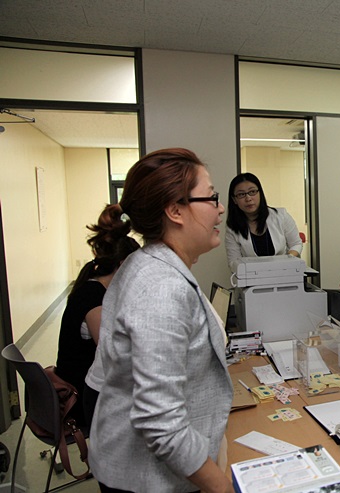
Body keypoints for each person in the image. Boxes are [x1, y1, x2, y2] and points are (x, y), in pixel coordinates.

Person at [88, 148, 235, 493]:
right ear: (175, 210)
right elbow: (161, 423)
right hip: (148, 479)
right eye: (211, 197)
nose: (220, 208)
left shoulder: (151, 263)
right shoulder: (161, 287)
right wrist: (222, 487)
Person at [54, 205, 139, 428]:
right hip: (81, 396)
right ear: (123, 265)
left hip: (85, 385)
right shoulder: (93, 297)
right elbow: (112, 352)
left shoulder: (96, 288)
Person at [225, 172, 303, 272]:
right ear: (234, 199)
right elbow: (233, 262)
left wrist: (287, 259)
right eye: (241, 194)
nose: (248, 198)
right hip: (252, 277)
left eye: (252, 192)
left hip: (284, 273)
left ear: (260, 193)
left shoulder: (280, 215)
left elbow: (296, 243)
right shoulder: (232, 227)